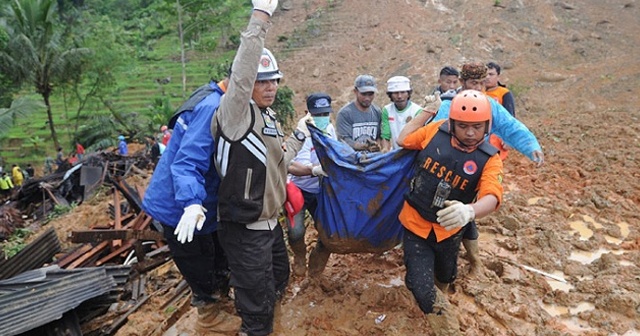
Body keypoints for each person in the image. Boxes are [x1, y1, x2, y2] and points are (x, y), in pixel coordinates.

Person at [210, 2, 312, 334]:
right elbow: (241, 74)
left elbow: (278, 160)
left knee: (278, 280)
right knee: (256, 307)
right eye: (261, 82)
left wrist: (299, 133)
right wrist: (260, 19)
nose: (269, 87)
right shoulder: (236, 114)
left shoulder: (266, 117)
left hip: (270, 224)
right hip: (245, 227)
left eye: (273, 81)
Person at [397, 90, 503, 335]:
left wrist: (469, 211)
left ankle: (439, 294)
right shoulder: (435, 131)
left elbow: (492, 196)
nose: (469, 133)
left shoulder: (490, 158)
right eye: (463, 126)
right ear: (452, 123)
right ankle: (440, 319)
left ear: (487, 126)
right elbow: (404, 139)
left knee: (446, 275)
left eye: (477, 127)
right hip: (416, 222)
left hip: (450, 230)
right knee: (422, 287)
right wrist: (427, 112)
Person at [142, 73, 238, 332]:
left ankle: (221, 302)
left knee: (218, 253)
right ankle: (209, 317)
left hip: (201, 197)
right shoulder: (212, 108)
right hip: (180, 203)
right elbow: (187, 163)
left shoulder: (215, 96)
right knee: (198, 260)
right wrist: (191, 202)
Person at [431, 61, 544, 276]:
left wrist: (530, 146)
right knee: (442, 213)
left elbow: (510, 126)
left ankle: (473, 262)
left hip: (475, 166)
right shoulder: (448, 105)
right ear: (463, 83)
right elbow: (429, 136)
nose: (478, 89)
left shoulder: (490, 105)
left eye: (482, 84)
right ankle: (445, 262)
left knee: (467, 211)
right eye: (474, 83)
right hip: (444, 168)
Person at [285, 92, 335, 277]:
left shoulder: (329, 129)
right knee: (295, 232)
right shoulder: (302, 133)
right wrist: (314, 170)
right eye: (317, 114)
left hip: (320, 189)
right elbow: (291, 166)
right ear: (307, 112)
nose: (321, 118)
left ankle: (316, 268)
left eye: (325, 114)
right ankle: (299, 255)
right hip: (298, 188)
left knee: (328, 233)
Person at [336, 74, 382, 152]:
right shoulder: (345, 114)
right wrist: (363, 146)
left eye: (370, 94)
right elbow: (344, 141)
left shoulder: (377, 112)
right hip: (351, 160)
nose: (367, 98)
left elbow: (379, 137)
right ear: (355, 92)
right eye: (363, 94)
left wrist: (377, 146)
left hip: (373, 159)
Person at [380, 76, 424, 152]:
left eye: (403, 92)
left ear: (408, 94)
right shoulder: (387, 110)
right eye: (396, 93)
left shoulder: (417, 111)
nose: (399, 96)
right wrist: (385, 149)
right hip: (395, 153)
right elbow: (385, 135)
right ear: (390, 95)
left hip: (412, 153)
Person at [485, 61, 515, 160]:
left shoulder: (504, 93)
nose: (487, 77)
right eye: (485, 74)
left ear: (498, 76)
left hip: (496, 139)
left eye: (491, 74)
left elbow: (510, 118)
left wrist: (509, 139)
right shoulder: (478, 92)